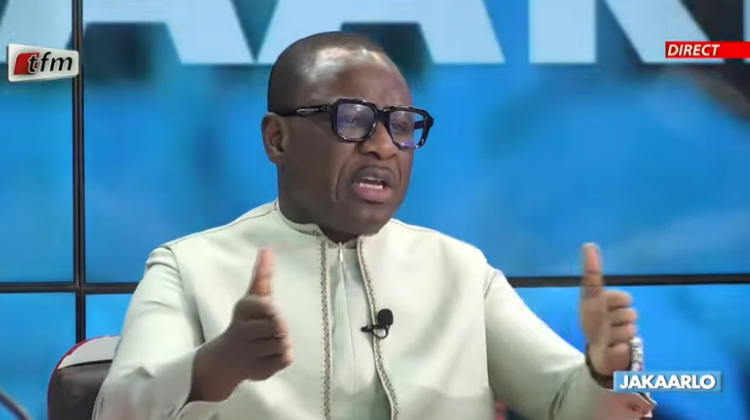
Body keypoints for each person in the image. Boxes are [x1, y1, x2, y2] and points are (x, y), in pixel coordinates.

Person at [92, 31, 655, 420]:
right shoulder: (188, 268)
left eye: (402, 125)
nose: (384, 146)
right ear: (277, 139)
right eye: (353, 119)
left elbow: (566, 401)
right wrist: (219, 365)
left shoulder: (461, 272)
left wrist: (604, 372)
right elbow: (115, 409)